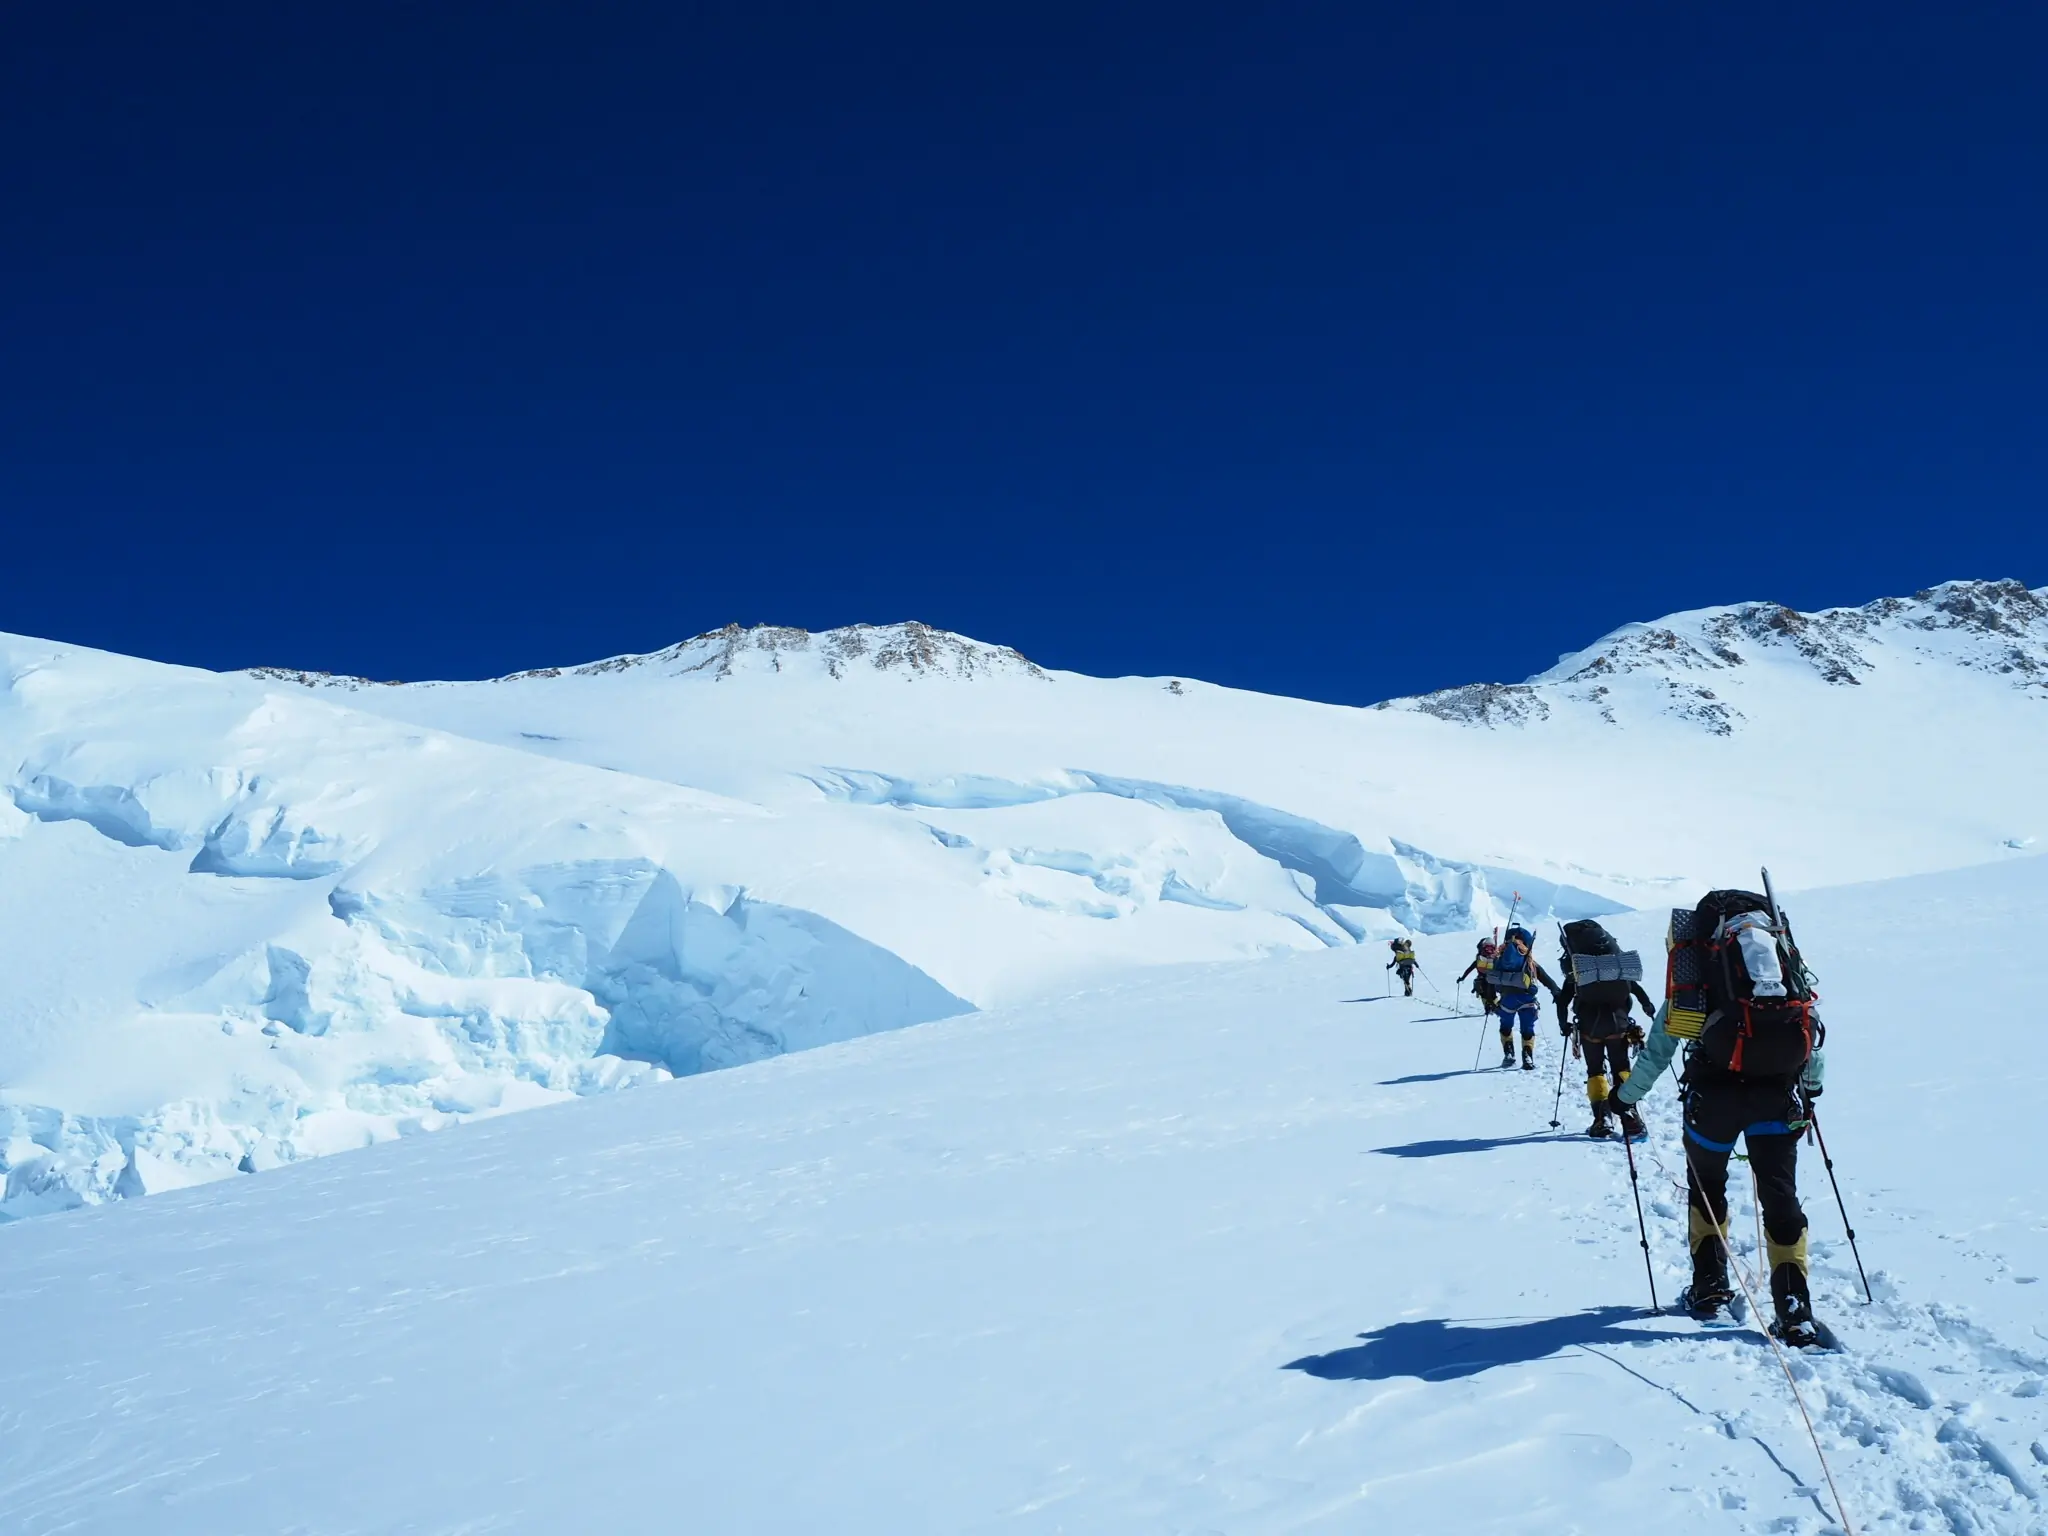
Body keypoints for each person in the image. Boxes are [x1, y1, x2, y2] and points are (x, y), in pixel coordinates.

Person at [1615, 895, 1828, 1345]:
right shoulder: (1784, 957)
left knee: (1707, 1190)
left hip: (1713, 1102)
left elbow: (1662, 1045)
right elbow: (1810, 1028)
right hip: (1777, 1098)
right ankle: (1794, 1308)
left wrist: (1626, 1097)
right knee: (1780, 1197)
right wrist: (1810, 1091)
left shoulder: (1699, 967)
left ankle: (1710, 1286)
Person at [1553, 924, 1655, 1140]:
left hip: (1590, 1027)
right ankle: (1630, 1116)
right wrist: (1648, 1006)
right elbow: (1634, 988)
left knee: (1596, 1071)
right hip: (1619, 1024)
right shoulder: (1616, 967)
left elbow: (1562, 1001)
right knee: (1621, 1068)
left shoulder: (1578, 970)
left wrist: (1564, 1025)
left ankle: (1602, 1119)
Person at [1486, 926, 1561, 1070]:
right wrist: (1556, 991)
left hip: (1507, 1000)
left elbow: (1491, 980)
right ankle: (1527, 1057)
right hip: (1527, 1000)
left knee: (1506, 1026)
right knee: (1527, 1028)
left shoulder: (1500, 957)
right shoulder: (1527, 957)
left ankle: (1509, 1054)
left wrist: (1491, 1000)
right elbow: (1544, 977)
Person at [1456, 939, 1501, 1018]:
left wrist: (1462, 978)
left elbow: (1469, 969)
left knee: (1483, 995)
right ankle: (1496, 1008)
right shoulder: (1495, 959)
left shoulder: (1479, 960)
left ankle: (1488, 1008)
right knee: (1493, 996)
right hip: (1493, 980)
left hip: (1481, 979)